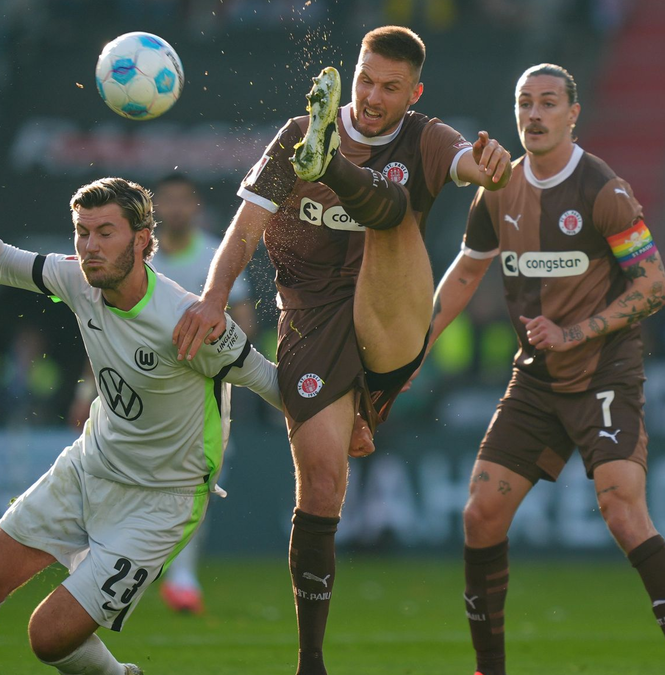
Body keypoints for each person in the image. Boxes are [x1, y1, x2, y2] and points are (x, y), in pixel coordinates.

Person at [172, 25, 512, 675]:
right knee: (324, 481)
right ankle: (311, 660)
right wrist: (214, 298)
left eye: (390, 88)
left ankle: (331, 167)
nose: (374, 96)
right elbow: (244, 232)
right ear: (352, 73)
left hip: (391, 306)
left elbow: (469, 162)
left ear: (415, 92)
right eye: (365, 81)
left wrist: (489, 167)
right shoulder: (293, 132)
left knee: (390, 211)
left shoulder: (427, 137)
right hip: (309, 321)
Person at [0, 171, 294, 675]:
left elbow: (273, 384)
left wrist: (350, 426)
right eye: (82, 232)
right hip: (89, 468)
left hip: (162, 500)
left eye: (104, 232)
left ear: (142, 240)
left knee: (48, 637)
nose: (89, 246)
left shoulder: (187, 320)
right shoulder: (79, 279)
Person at [425, 64, 665, 675]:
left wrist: (573, 332)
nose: (534, 114)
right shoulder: (497, 188)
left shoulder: (603, 190)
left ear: (573, 113)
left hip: (604, 372)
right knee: (479, 515)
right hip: (535, 379)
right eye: (524, 102)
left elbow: (655, 286)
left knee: (622, 509)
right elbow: (467, 273)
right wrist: (413, 347)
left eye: (548, 103)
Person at [148, 171, 257, 614]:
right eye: (167, 200)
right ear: (155, 209)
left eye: (183, 200)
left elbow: (246, 320)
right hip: (147, 383)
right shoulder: (140, 259)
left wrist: (220, 357)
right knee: (144, 479)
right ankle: (138, 562)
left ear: (194, 206)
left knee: (199, 481)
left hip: (203, 388)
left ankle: (183, 576)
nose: (175, 208)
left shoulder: (216, 255)